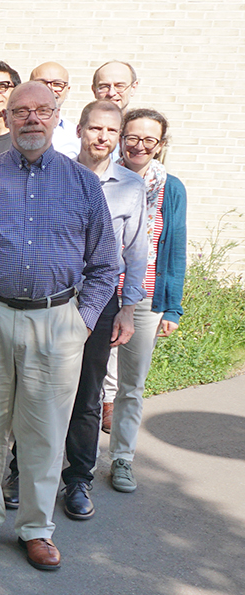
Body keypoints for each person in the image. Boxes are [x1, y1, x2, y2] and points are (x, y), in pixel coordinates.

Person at [0, 81, 118, 573]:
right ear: (10, 118)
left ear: (57, 116)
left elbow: (106, 265)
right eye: (21, 111)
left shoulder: (82, 182)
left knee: (44, 430)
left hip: (56, 319)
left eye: (42, 110)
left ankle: (37, 529)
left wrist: (80, 324)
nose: (31, 119)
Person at [32, 101, 145, 522]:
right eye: (94, 128)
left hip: (100, 302)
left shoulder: (131, 187)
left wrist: (127, 310)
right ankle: (21, 471)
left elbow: (135, 253)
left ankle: (78, 478)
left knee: (87, 392)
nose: (101, 137)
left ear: (118, 138)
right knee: (36, 388)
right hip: (51, 297)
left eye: (111, 132)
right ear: (78, 129)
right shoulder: (53, 174)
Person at [105, 108, 185, 493]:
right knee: (82, 383)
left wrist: (172, 306)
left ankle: (122, 458)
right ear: (121, 138)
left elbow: (176, 247)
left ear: (160, 145)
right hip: (97, 295)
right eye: (132, 137)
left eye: (148, 139)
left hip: (145, 299)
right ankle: (75, 459)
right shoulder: (102, 179)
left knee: (130, 386)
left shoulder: (172, 188)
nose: (139, 145)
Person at [28, 62, 80, 157]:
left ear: (67, 90)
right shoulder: (13, 128)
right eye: (41, 83)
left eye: (57, 84)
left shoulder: (76, 136)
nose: (49, 89)